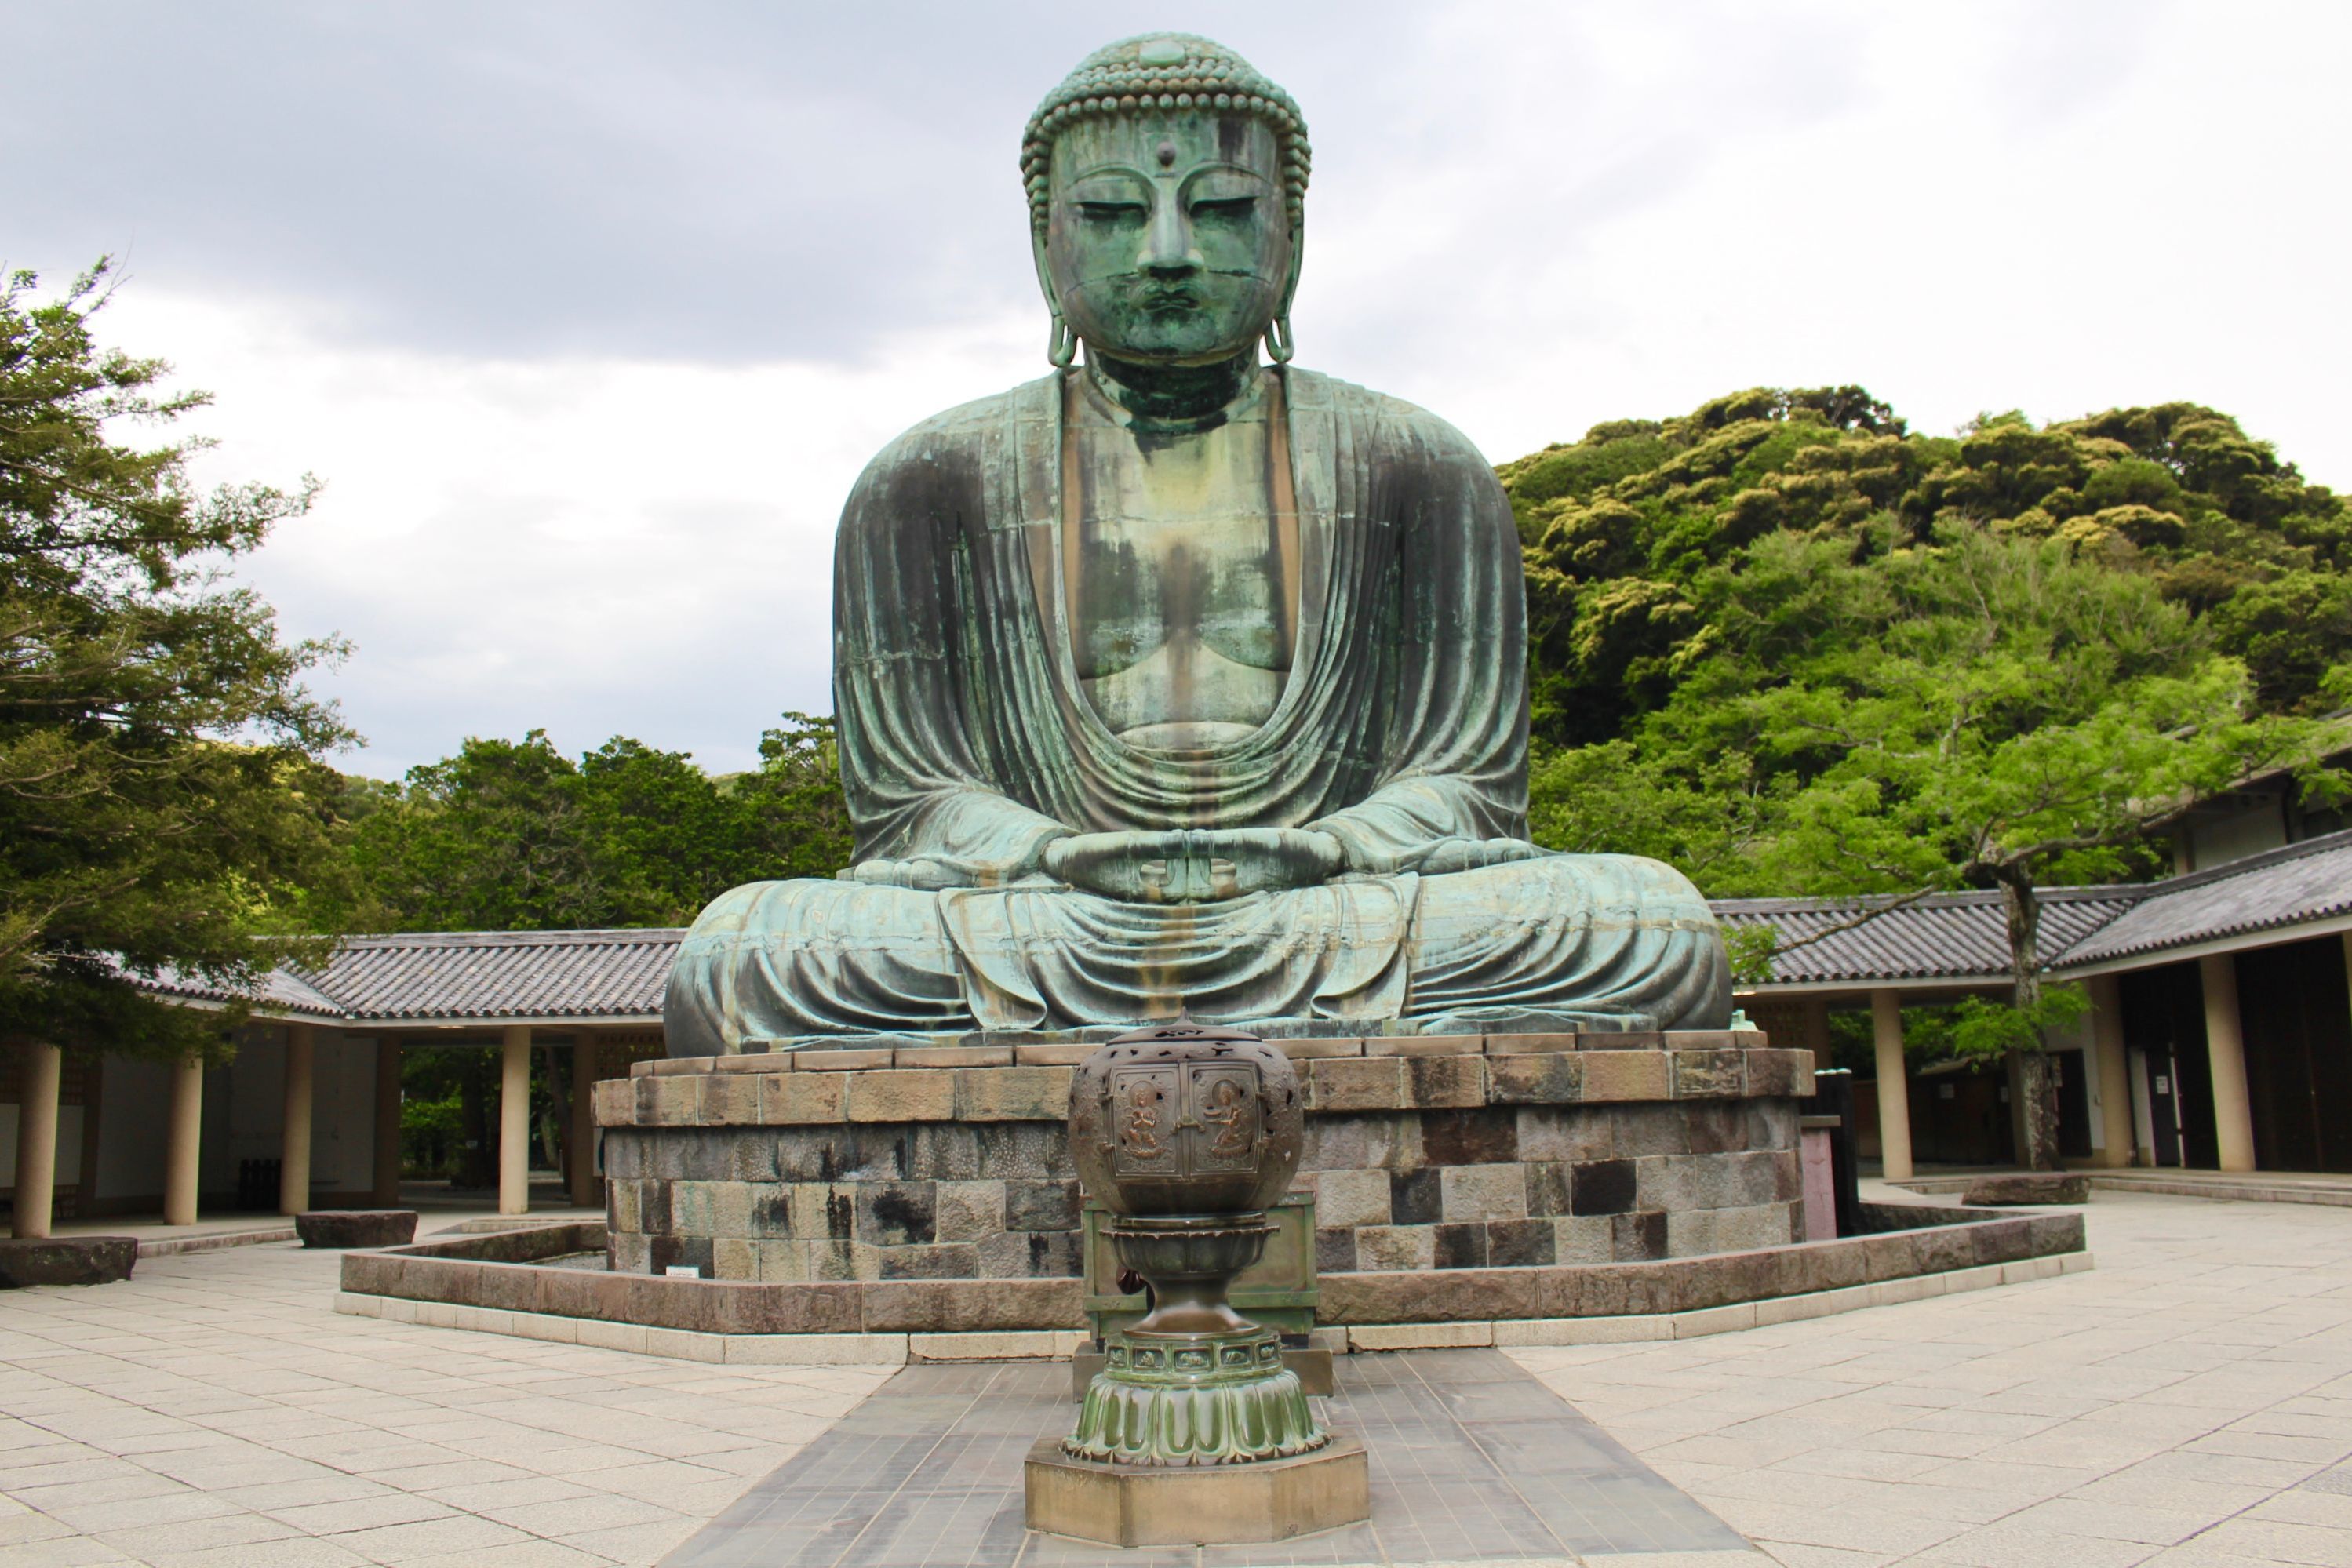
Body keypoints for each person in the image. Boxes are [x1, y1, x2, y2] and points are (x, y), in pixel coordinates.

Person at [664, 34, 1728, 1053]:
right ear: (1046, 243)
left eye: (1219, 210)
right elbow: (915, 804)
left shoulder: (1416, 463)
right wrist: (1053, 853)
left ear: (1291, 235)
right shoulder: (927, 481)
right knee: (743, 953)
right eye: (1112, 213)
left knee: (1646, 926)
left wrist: (1330, 847)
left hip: (1335, 899)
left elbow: (1465, 781)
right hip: (1047, 912)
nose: (1165, 253)